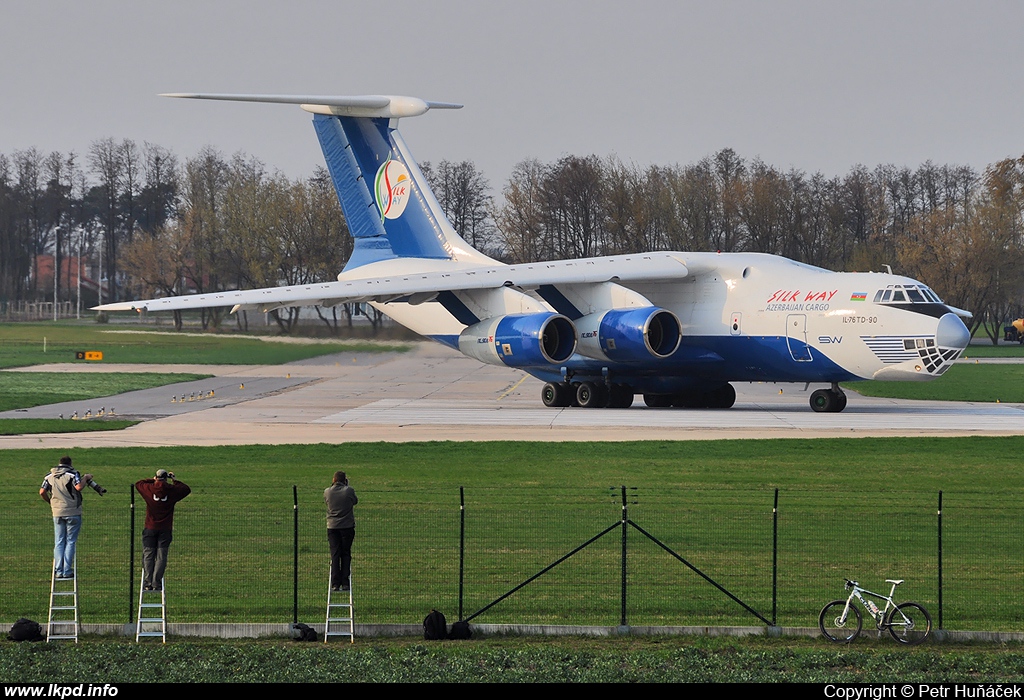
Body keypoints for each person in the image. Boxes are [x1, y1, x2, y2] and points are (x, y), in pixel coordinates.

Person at [135, 469, 191, 591]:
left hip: (150, 527)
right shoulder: (172, 491)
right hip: (165, 528)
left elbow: (139, 484)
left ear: (156, 477)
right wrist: (173, 480)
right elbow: (186, 489)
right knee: (161, 556)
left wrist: (153, 480)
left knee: (148, 555)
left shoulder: (149, 490)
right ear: (166, 479)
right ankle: (156, 582)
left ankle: (148, 581)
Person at [40, 456, 94, 579]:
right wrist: (85, 478)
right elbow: (78, 487)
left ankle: (58, 570)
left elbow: (42, 491)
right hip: (72, 511)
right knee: (70, 541)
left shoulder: (49, 476)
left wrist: (50, 502)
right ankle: (67, 570)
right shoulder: (73, 473)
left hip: (57, 512)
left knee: (59, 541)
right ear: (70, 463)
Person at [324, 471, 357, 591]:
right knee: (346, 553)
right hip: (347, 526)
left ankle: (335, 583)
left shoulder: (327, 491)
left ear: (333, 480)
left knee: (335, 554)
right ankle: (345, 582)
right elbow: (355, 501)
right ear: (345, 480)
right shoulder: (349, 491)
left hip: (332, 527)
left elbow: (327, 502)